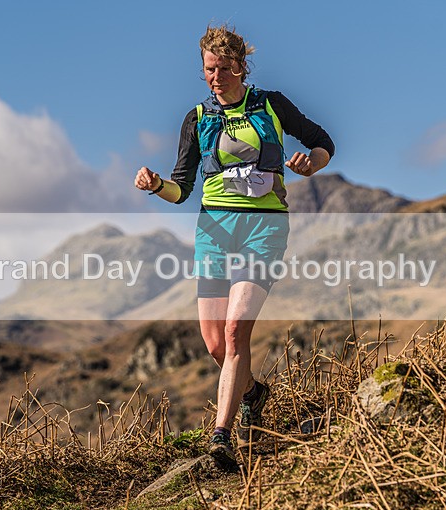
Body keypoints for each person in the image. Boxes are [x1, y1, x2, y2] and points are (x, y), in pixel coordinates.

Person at [134, 24, 334, 468]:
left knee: (234, 331)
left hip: (263, 227)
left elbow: (324, 144)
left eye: (224, 68)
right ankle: (254, 392)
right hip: (214, 231)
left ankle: (221, 439)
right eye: (209, 69)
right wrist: (154, 185)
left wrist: (309, 165)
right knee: (213, 343)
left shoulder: (271, 105)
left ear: (242, 67)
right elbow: (182, 188)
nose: (216, 77)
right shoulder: (197, 118)